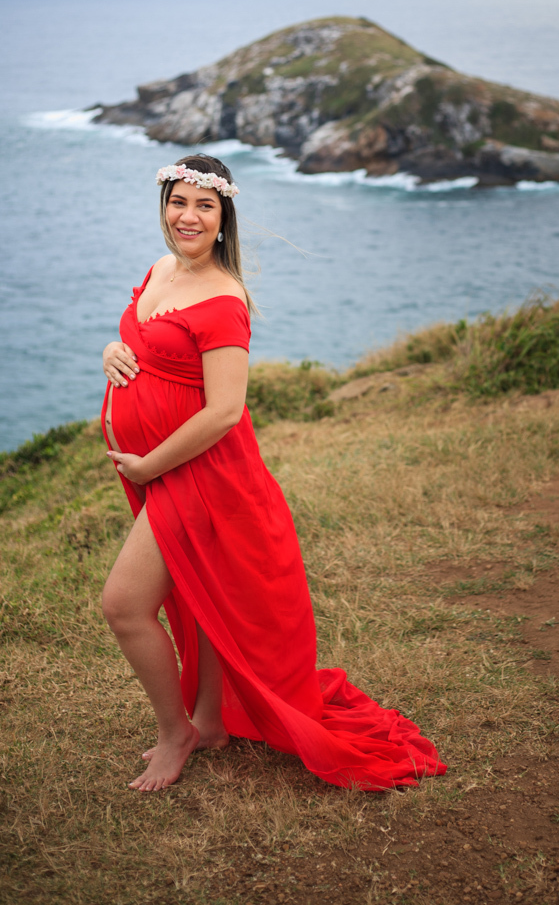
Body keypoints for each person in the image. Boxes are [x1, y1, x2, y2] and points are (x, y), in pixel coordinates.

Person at [101, 154, 445, 793]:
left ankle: (176, 733)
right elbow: (141, 341)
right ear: (164, 206)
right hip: (165, 471)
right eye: (179, 202)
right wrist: (112, 349)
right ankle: (207, 720)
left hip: (200, 475)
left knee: (123, 607)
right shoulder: (158, 271)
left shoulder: (224, 300)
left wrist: (149, 461)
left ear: (224, 216)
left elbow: (226, 410)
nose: (189, 216)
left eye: (205, 206)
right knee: (198, 599)